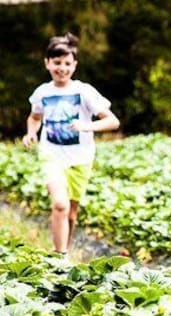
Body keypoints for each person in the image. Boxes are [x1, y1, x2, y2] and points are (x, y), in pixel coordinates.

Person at [21, 33, 120, 258]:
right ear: (47, 63)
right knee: (60, 205)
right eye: (57, 63)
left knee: (72, 214)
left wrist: (87, 125)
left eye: (67, 63)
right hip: (51, 154)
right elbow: (35, 117)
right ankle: (60, 259)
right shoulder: (42, 92)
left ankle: (63, 249)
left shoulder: (84, 91)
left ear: (74, 65)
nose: (62, 68)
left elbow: (113, 121)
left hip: (81, 157)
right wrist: (30, 133)